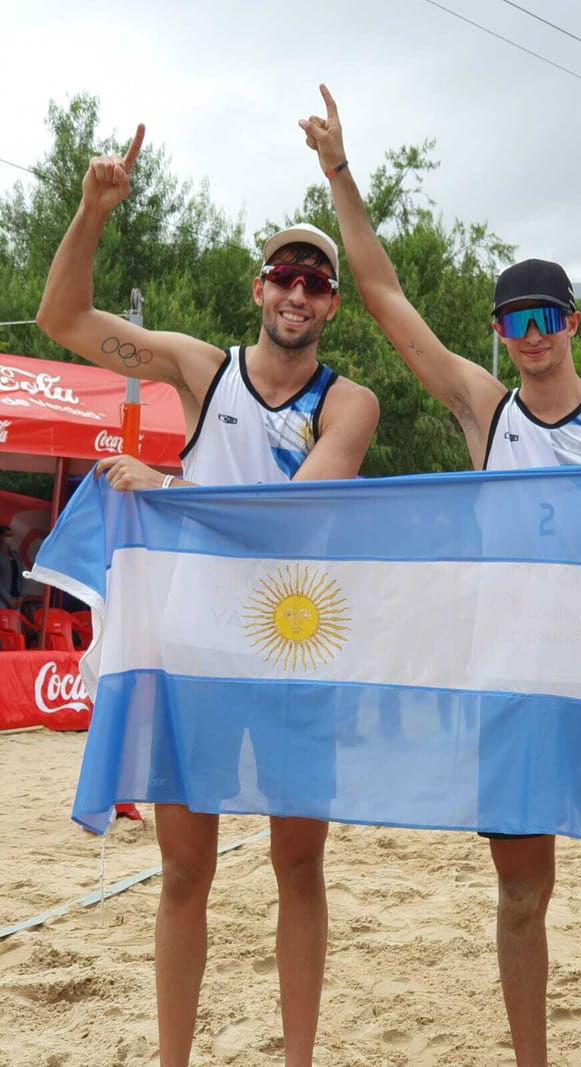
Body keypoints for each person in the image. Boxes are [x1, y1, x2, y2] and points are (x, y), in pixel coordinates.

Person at [300, 84, 581, 1067]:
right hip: (509, 685)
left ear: (573, 320)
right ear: (503, 333)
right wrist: (340, 171)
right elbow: (384, 298)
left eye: (546, 312)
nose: (532, 330)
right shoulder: (484, 408)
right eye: (515, 318)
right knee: (521, 895)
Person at [36, 125, 379, 1067]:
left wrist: (171, 490)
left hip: (290, 654)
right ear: (259, 287)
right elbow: (61, 319)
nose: (299, 290)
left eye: (316, 280)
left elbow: (291, 518)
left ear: (332, 305)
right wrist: (91, 211)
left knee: (298, 867)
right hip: (190, 655)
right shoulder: (202, 366)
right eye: (285, 273)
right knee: (183, 874)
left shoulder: (350, 403)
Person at [0, 525, 23, 610]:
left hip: (16, 598)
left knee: (14, 622)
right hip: (3, 600)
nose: (10, 538)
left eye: (11, 535)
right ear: (1, 537)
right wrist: (8, 599)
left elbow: (21, 575)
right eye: (7, 535)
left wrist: (21, 596)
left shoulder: (15, 554)